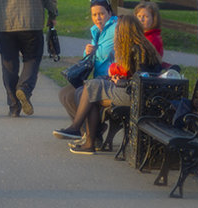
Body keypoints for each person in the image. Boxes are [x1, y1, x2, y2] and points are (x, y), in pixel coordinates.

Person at [62, 16, 161, 154]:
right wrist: (118, 78)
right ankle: (88, 142)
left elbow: (141, 80)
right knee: (92, 92)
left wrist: (120, 82)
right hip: (135, 93)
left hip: (136, 96)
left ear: (123, 32)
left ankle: (77, 129)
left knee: (92, 88)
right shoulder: (141, 46)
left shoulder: (137, 50)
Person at [56, 0, 118, 125]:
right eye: (94, 15)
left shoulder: (114, 29)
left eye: (101, 14)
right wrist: (88, 51)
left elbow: (103, 55)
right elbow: (89, 56)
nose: (98, 18)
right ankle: (84, 130)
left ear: (109, 13)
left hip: (109, 78)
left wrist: (94, 50)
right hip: (98, 78)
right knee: (64, 93)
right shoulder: (97, 30)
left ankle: (90, 133)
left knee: (78, 94)